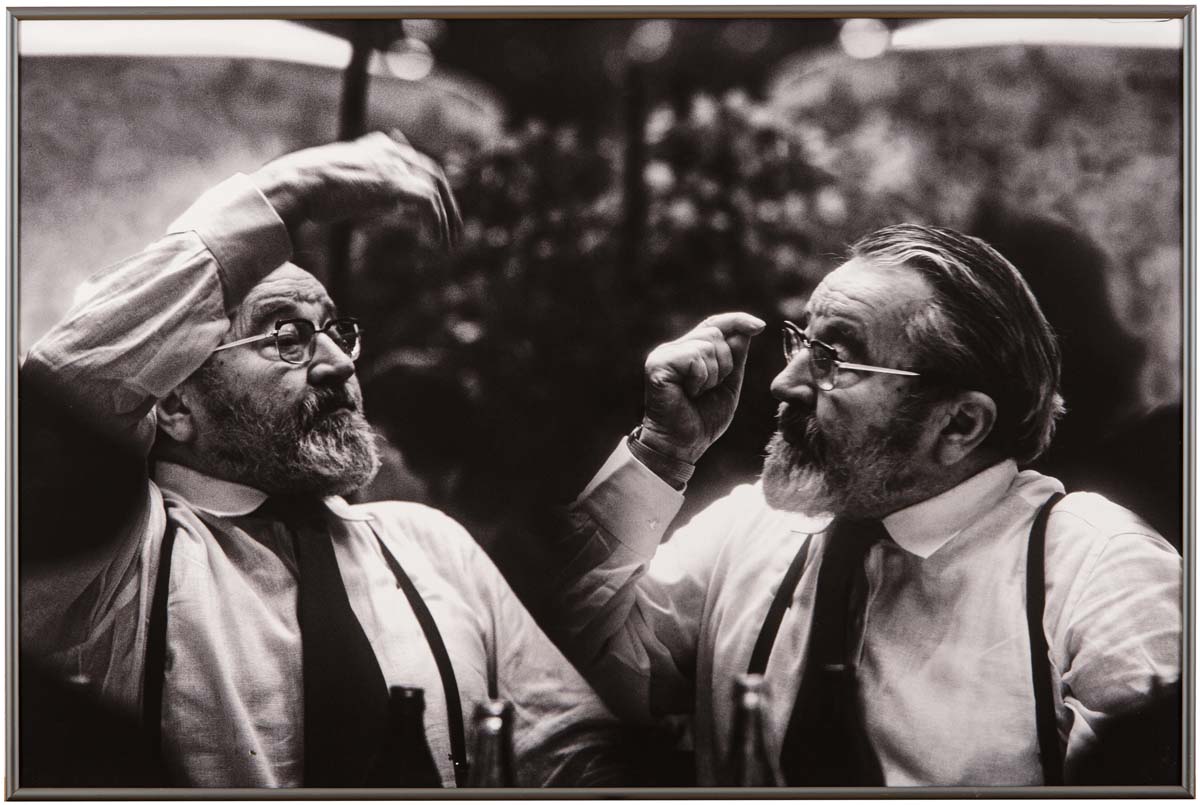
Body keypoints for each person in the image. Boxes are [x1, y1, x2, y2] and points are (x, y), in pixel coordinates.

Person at [20, 133, 624, 788]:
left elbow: (573, 754)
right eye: (287, 335)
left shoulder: (430, 545)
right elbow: (59, 394)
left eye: (336, 331)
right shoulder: (117, 565)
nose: (337, 363)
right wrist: (283, 195)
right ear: (172, 403)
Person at [547, 224, 1182, 787]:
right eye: (801, 342)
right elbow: (569, 677)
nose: (784, 382)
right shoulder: (753, 526)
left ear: (959, 424)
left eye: (834, 357)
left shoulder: (1099, 572)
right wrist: (662, 451)